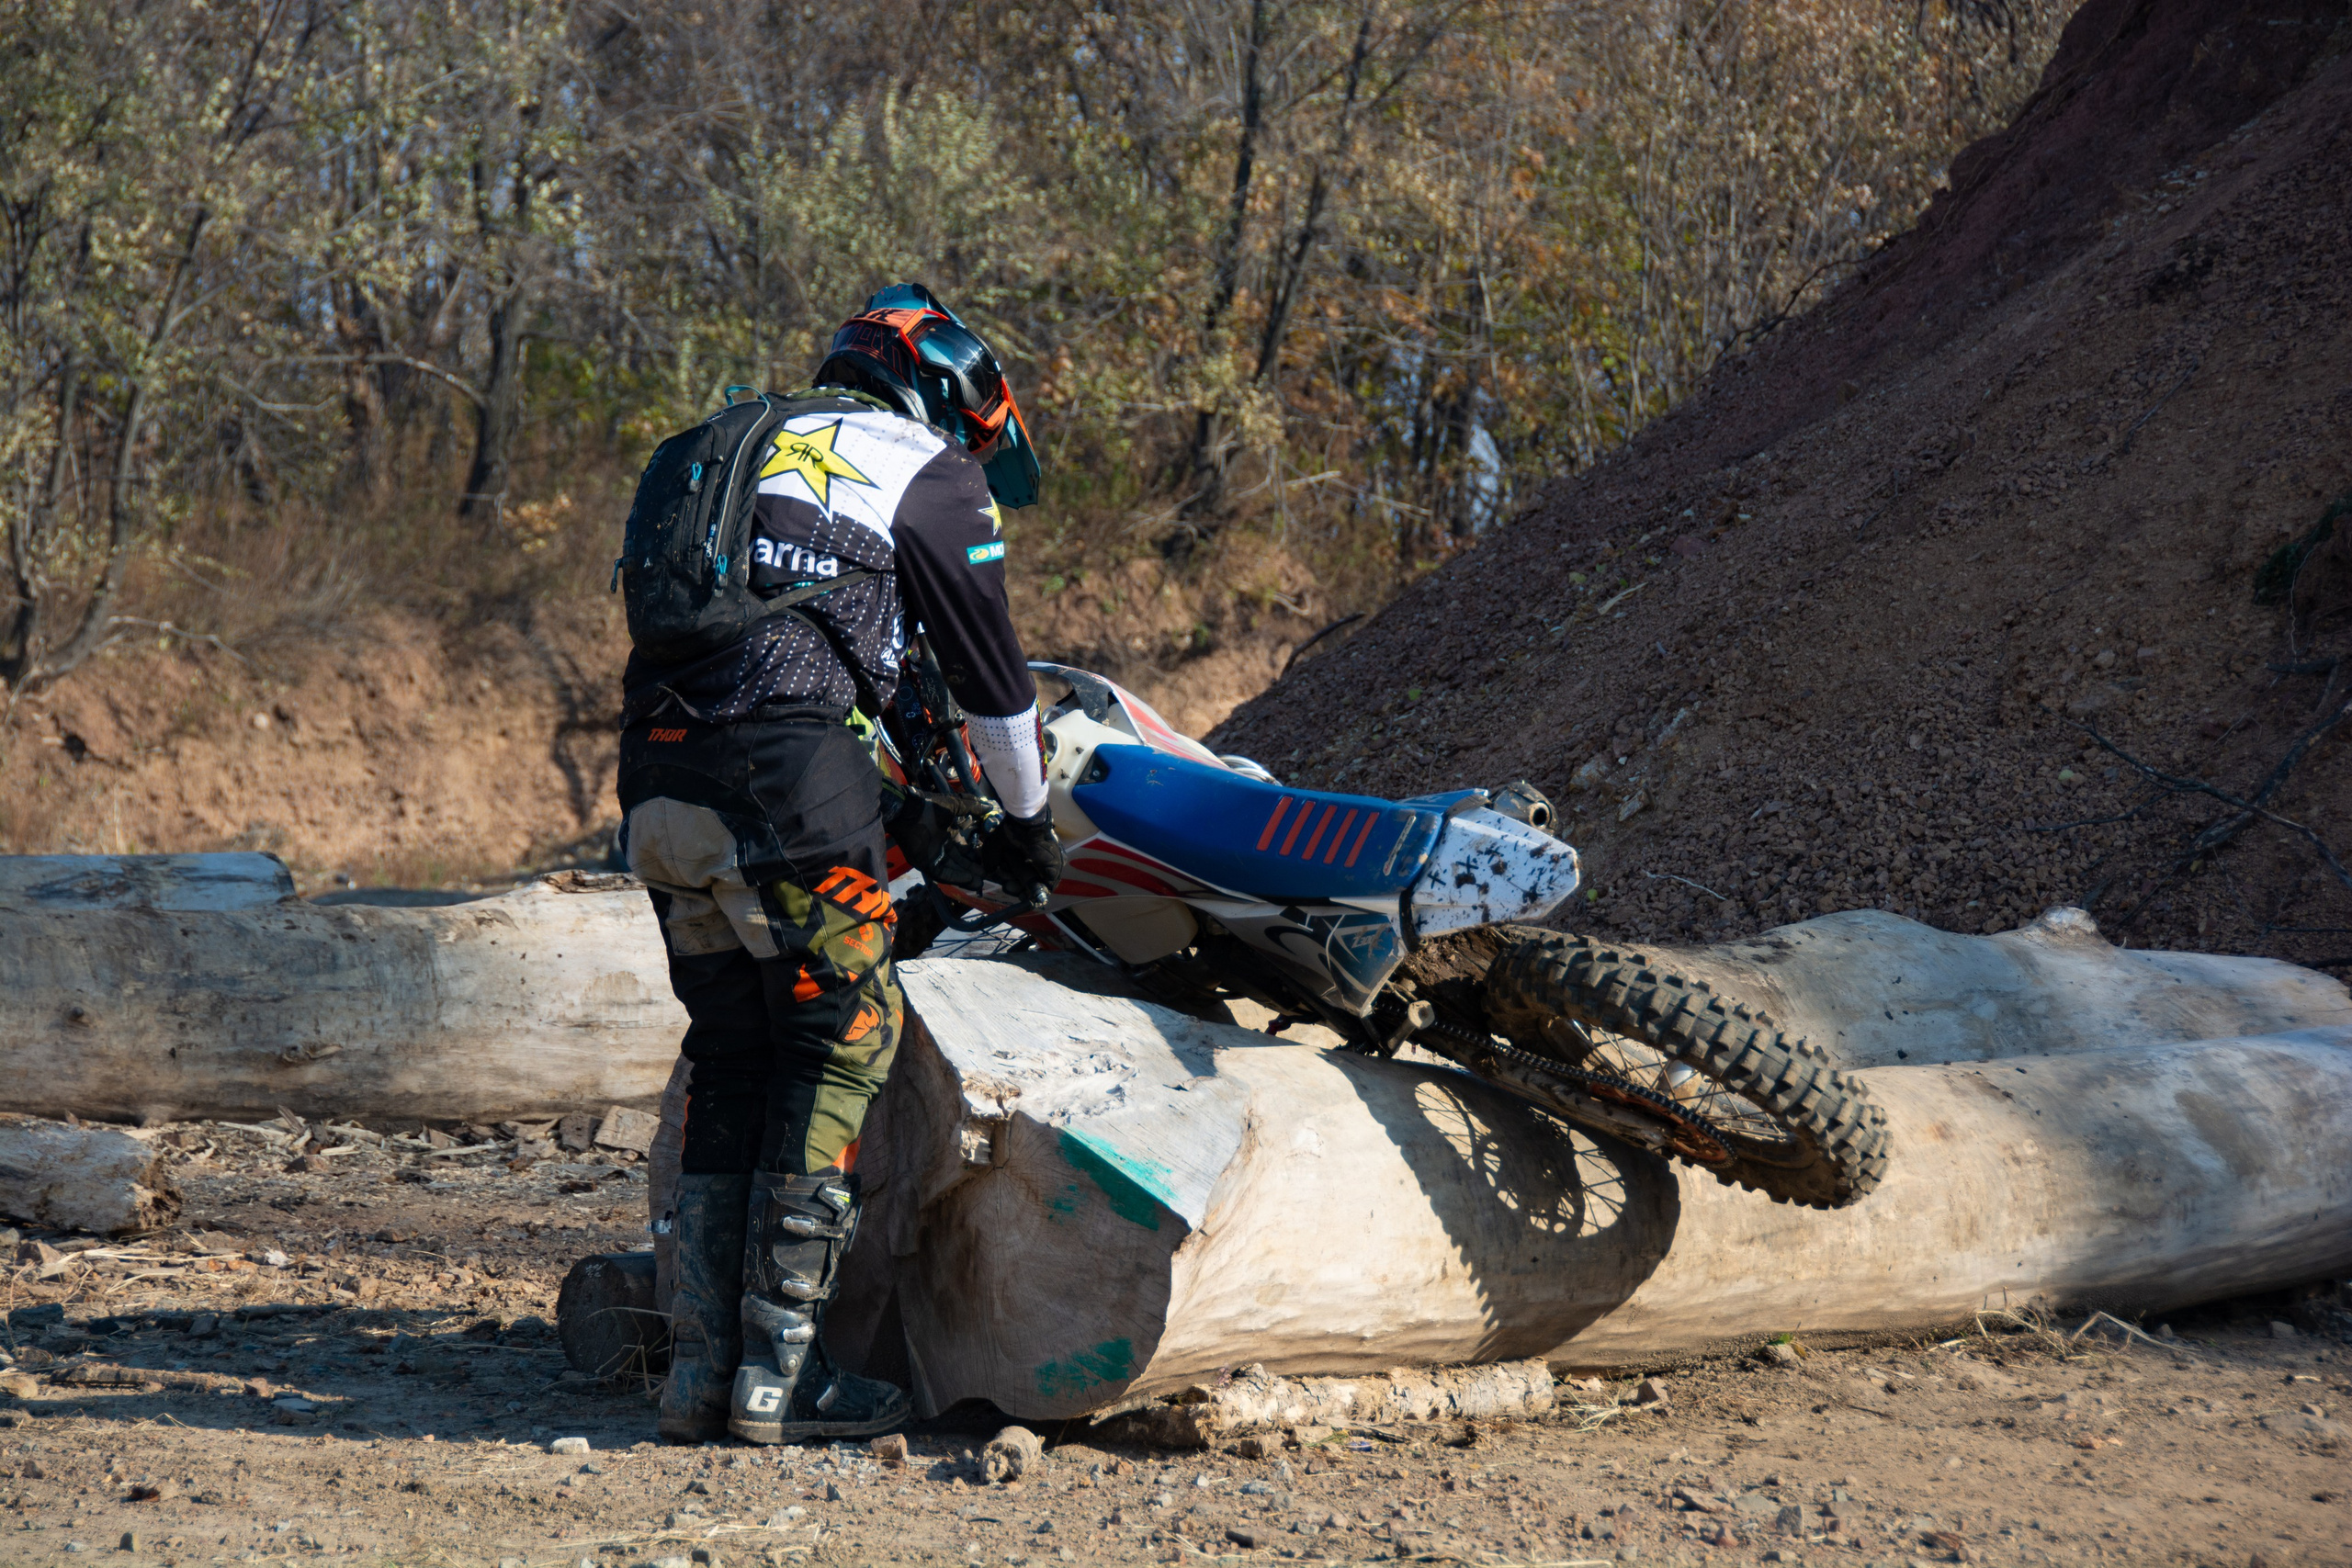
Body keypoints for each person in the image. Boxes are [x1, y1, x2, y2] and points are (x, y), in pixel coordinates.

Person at [615, 284, 1066, 1445]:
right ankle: (782, 1380)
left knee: (734, 1051)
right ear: (951, 396)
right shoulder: (925, 468)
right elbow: (994, 686)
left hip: (658, 782)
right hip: (789, 785)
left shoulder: (721, 440)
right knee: (841, 1040)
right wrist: (1026, 824)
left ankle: (698, 1377)